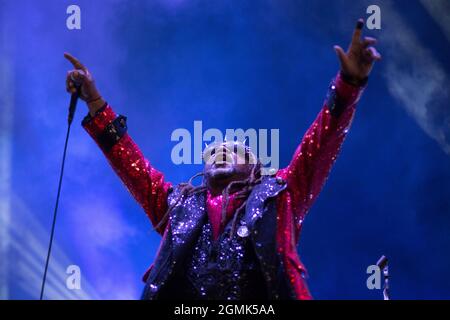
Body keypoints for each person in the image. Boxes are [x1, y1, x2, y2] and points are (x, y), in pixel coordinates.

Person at [64, 18, 381, 300]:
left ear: (256, 170)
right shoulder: (178, 205)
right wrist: (94, 101)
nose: (220, 153)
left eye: (234, 150)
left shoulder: (280, 195)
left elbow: (320, 144)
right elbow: (131, 165)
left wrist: (348, 85)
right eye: (213, 152)